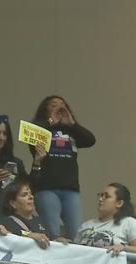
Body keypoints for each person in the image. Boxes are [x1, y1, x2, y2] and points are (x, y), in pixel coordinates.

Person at [28, 95, 96, 240]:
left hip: (70, 189)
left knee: (77, 234)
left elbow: (90, 140)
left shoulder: (71, 131)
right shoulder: (40, 127)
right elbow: (32, 138)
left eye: (62, 105)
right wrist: (50, 121)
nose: (59, 107)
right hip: (46, 188)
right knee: (53, 233)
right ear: (45, 110)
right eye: (53, 105)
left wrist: (72, 124)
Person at [75, 183, 136, 256]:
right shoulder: (86, 225)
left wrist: (123, 248)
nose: (101, 199)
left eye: (107, 196)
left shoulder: (128, 222)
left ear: (119, 203)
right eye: (100, 195)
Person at [0, 179, 58, 249]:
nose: (31, 197)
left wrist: (59, 241)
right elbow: (16, 233)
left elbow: (51, 239)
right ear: (13, 203)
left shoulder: (41, 221)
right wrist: (30, 234)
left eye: (31, 194)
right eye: (24, 195)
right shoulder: (8, 221)